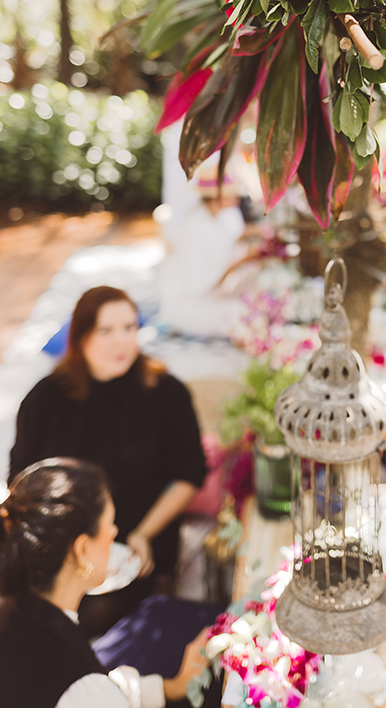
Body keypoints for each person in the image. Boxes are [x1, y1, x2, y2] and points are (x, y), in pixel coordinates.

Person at [9, 286, 207, 634]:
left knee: (83, 620)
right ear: (81, 336)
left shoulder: (167, 393)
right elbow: (21, 482)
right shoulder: (44, 399)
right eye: (106, 330)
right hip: (60, 546)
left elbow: (188, 475)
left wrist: (144, 534)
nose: (122, 341)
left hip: (134, 543)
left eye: (130, 327)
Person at [0, 457, 208, 708]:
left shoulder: (16, 610)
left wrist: (171, 687)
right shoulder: (80, 683)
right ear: (82, 550)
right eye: (108, 524)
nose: (114, 532)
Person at [159, 163, 248, 337]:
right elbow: (202, 283)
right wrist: (244, 260)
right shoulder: (197, 226)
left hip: (207, 296)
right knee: (247, 312)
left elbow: (229, 238)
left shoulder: (214, 216)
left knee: (256, 293)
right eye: (231, 192)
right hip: (190, 305)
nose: (237, 196)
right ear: (217, 196)